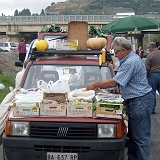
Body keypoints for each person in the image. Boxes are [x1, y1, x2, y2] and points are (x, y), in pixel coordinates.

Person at [86, 37, 154, 160]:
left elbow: (116, 82)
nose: (115, 55)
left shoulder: (131, 61)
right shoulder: (127, 59)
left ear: (124, 50)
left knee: (141, 139)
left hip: (140, 101)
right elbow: (118, 72)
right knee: (133, 137)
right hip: (135, 101)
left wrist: (96, 84)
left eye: (116, 52)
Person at [145, 42, 160, 114]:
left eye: (149, 48)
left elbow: (147, 68)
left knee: (152, 92)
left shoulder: (150, 55)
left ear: (151, 47)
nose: (148, 49)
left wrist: (146, 76)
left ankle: (152, 109)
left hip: (153, 75)